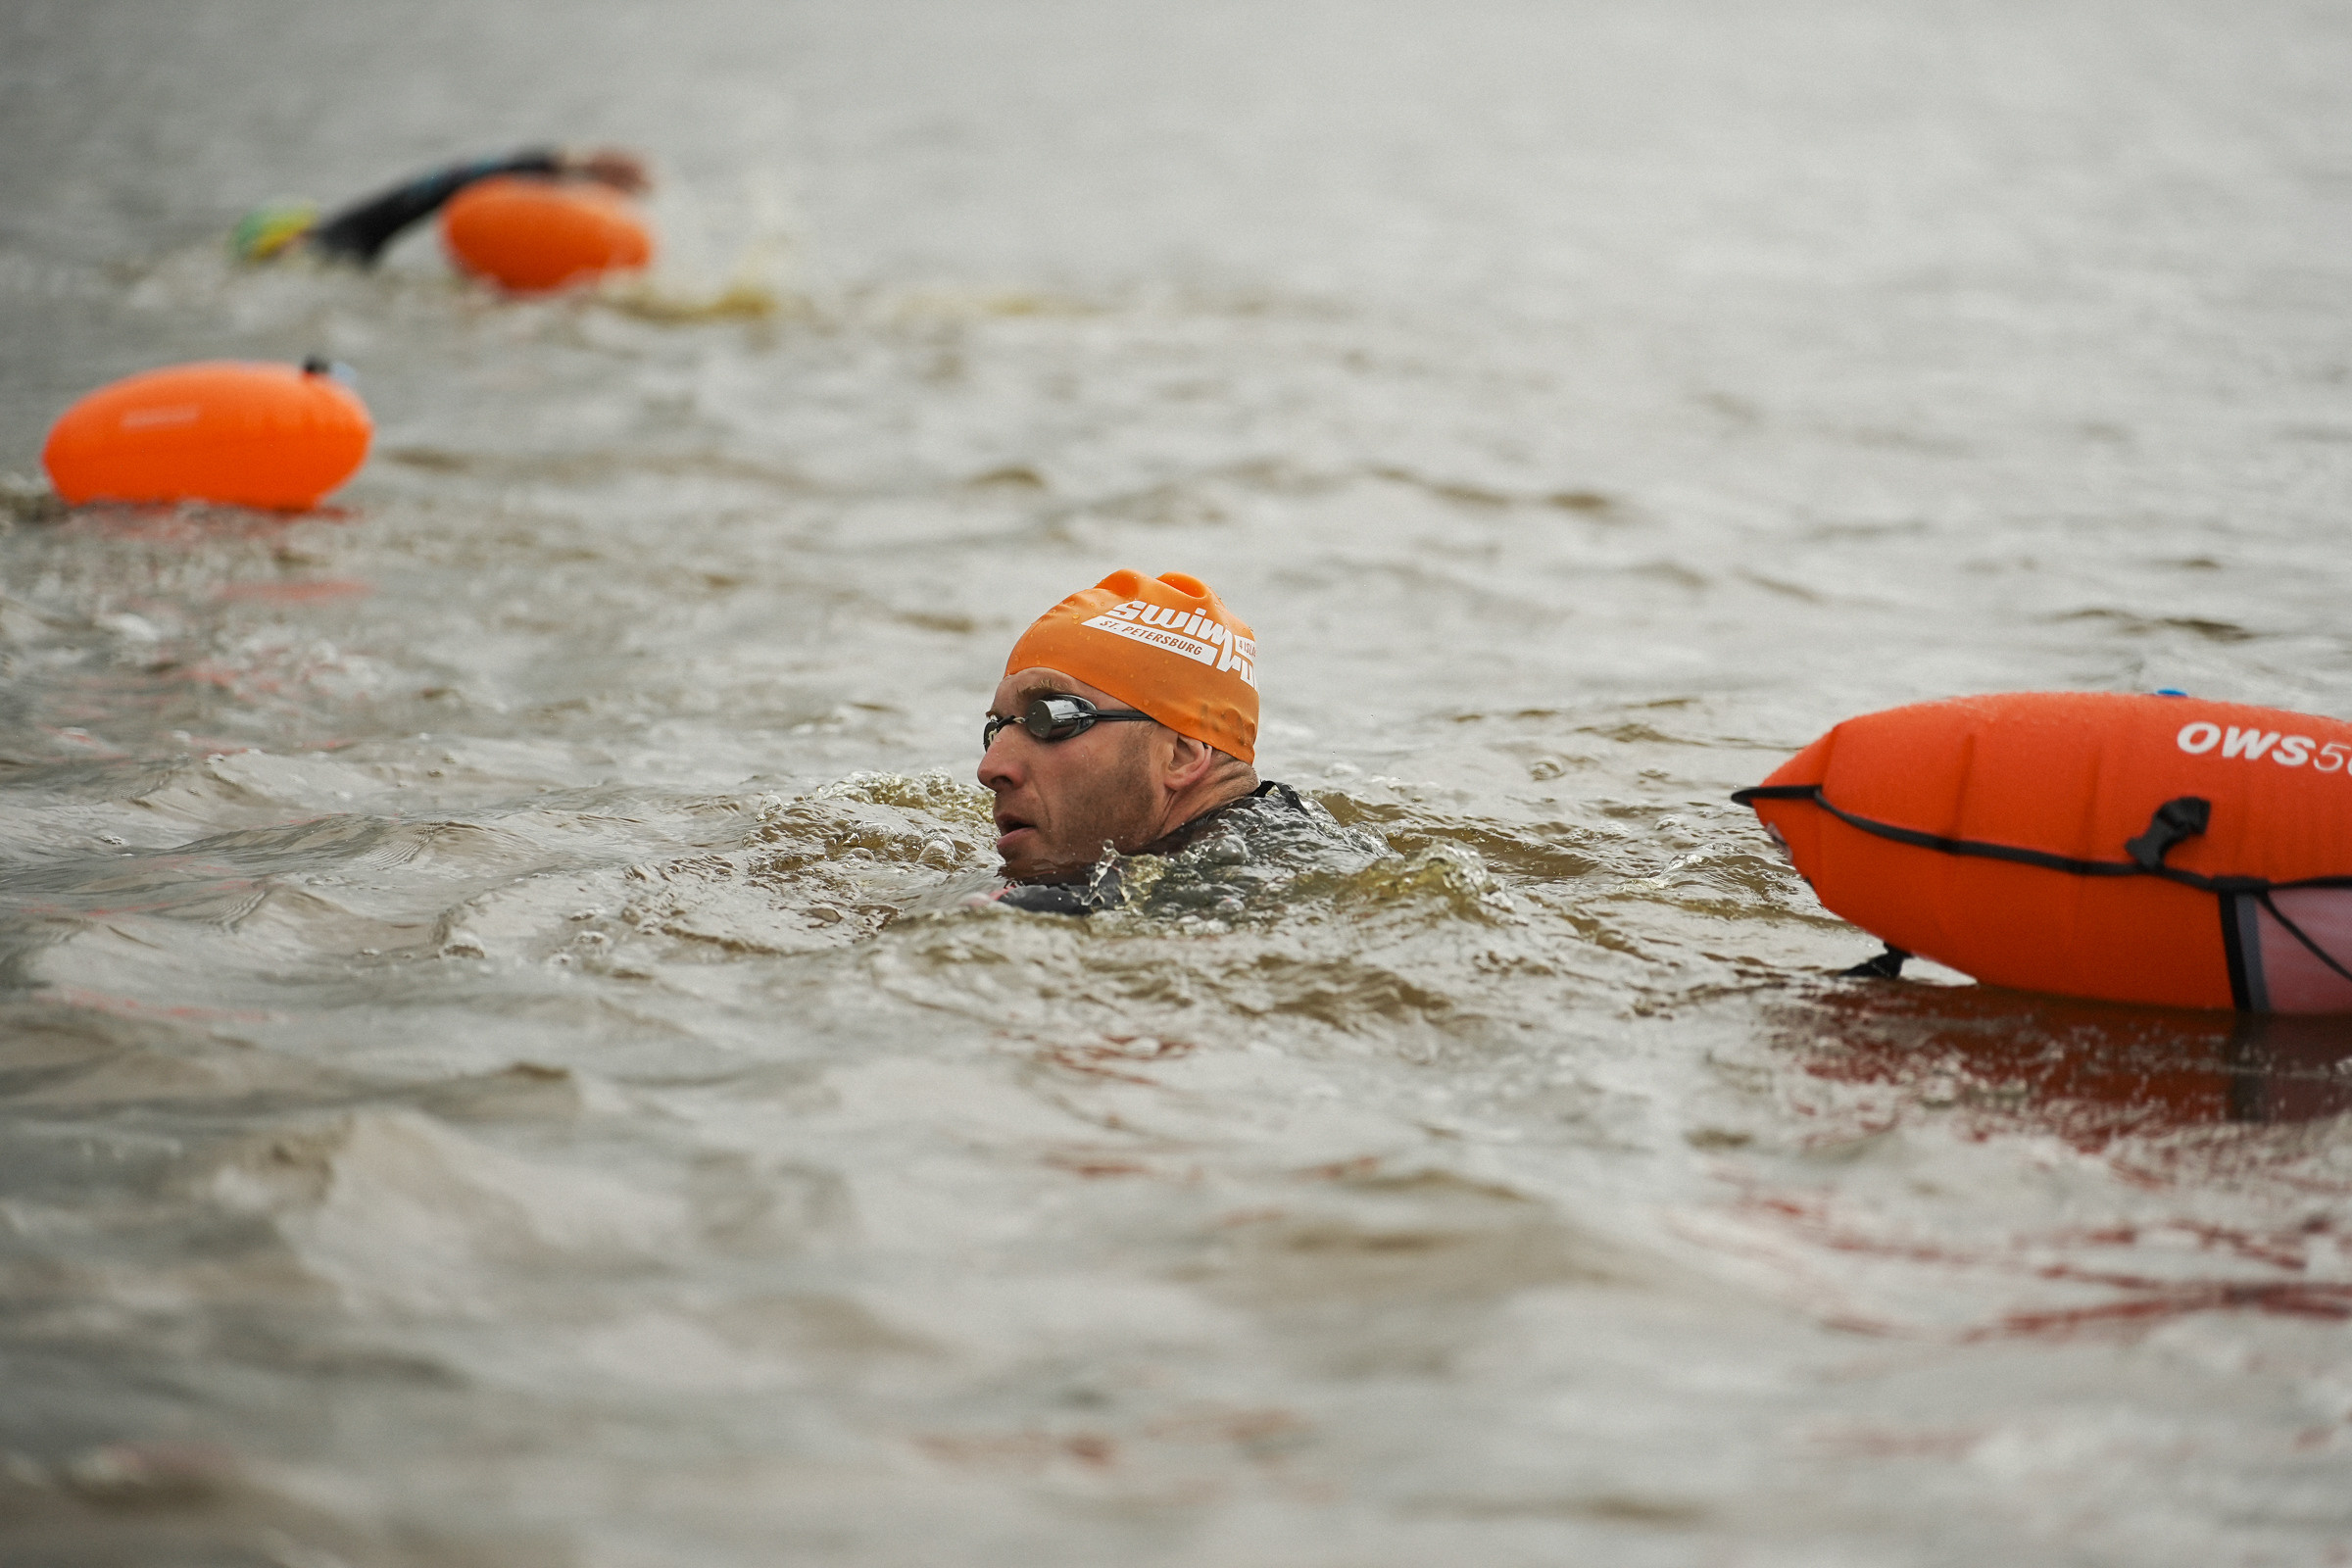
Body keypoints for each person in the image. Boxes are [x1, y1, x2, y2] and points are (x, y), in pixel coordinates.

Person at [978, 568, 1321, 915]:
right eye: (998, 729)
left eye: (1055, 718)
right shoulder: (1294, 845)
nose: (989, 768)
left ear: (1180, 756)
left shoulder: (1233, 900)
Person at [231, 146, 652, 266]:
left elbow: (430, 189)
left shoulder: (339, 244)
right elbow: (432, 188)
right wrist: (566, 163)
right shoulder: (339, 239)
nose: (289, 256)